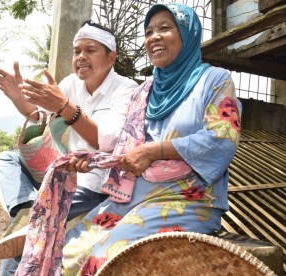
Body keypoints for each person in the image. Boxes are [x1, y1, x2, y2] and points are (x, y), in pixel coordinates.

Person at [14, 3, 242, 275]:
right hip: (132, 198)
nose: (154, 37)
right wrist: (91, 160)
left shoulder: (214, 81)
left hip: (186, 200)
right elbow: (124, 148)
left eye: (165, 28)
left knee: (103, 258)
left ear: (187, 33)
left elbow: (222, 139)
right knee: (68, 250)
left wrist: (155, 150)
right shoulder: (145, 91)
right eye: (148, 32)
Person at [0, 20, 138, 274]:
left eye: (90, 50)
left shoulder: (127, 89)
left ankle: (32, 216)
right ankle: (25, 207)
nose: (81, 57)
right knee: (7, 159)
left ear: (111, 57)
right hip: (63, 172)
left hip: (94, 184)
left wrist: (66, 108)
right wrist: (16, 97)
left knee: (22, 244)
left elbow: (108, 140)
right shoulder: (71, 83)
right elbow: (40, 117)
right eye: (77, 51)